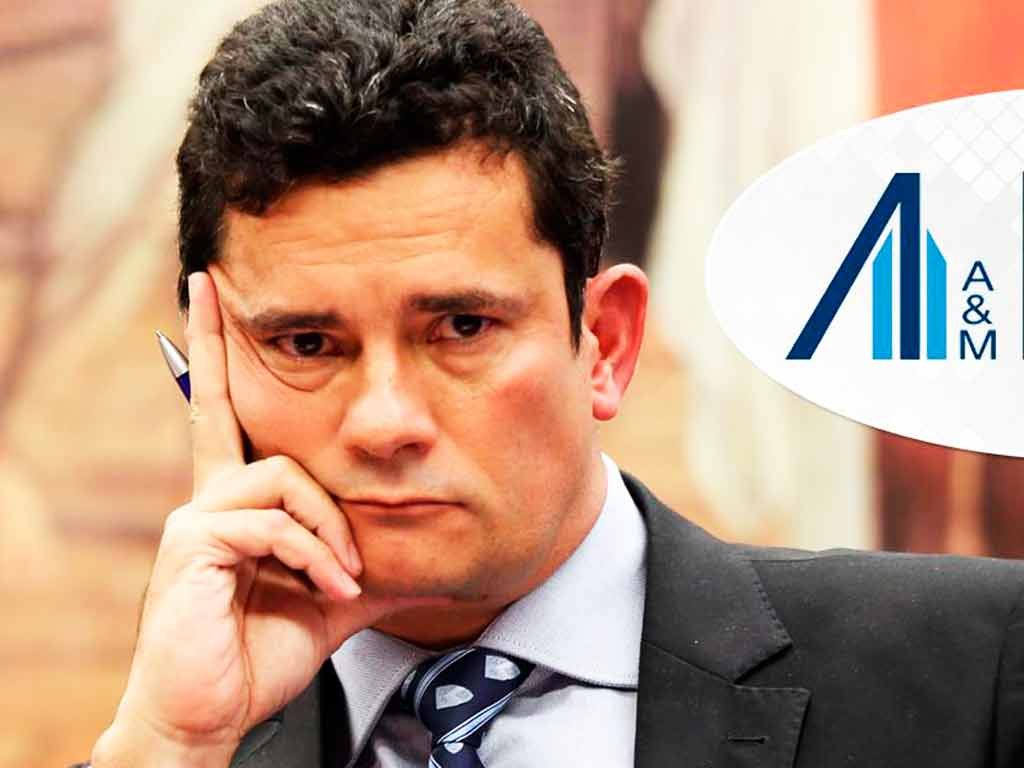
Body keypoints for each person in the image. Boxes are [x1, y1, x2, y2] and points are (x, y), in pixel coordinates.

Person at [81, 1, 1024, 767]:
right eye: (306, 343)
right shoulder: (189, 730)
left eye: (462, 327)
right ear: (211, 365)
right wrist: (168, 748)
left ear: (604, 343)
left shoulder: (975, 667)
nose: (384, 422)